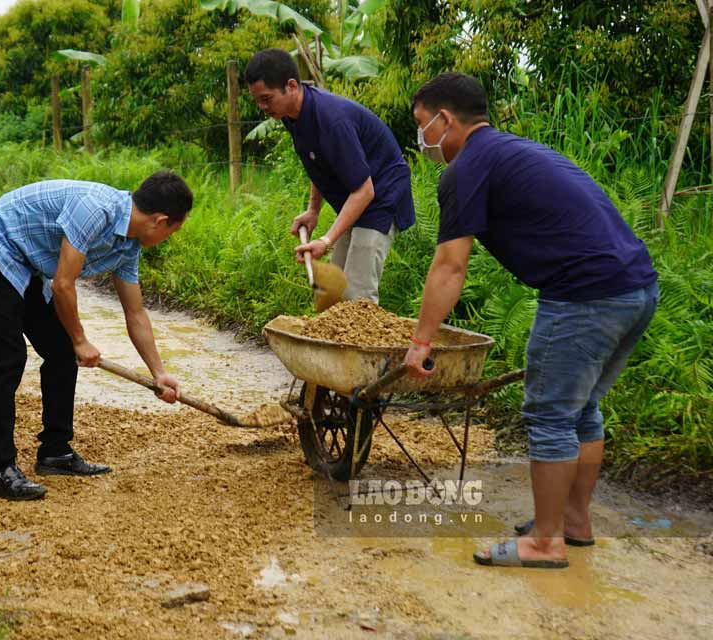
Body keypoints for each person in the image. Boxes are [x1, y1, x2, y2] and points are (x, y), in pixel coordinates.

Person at [400, 73, 657, 570]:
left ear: (445, 119)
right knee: (582, 409)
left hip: (585, 297)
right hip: (637, 289)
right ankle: (573, 523)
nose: (423, 136)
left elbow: (451, 266)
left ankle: (544, 541)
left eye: (421, 124)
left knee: (550, 417)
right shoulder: (515, 151)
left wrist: (421, 342)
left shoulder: (466, 169)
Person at [0, 172, 192, 501]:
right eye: (173, 231)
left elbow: (135, 313)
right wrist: (80, 340)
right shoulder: (95, 210)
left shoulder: (128, 246)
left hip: (29, 264)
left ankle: (56, 452)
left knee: (60, 351)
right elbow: (62, 284)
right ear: (160, 221)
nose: (169, 236)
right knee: (8, 358)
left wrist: (159, 372)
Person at [244, 49, 415, 303]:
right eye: (257, 100)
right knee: (334, 290)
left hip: (380, 196)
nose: (262, 107)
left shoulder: (331, 120)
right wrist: (313, 210)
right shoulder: (292, 117)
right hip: (356, 196)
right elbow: (320, 164)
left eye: (266, 99)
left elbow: (366, 191)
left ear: (291, 86)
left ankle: (361, 341)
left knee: (357, 295)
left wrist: (326, 240)